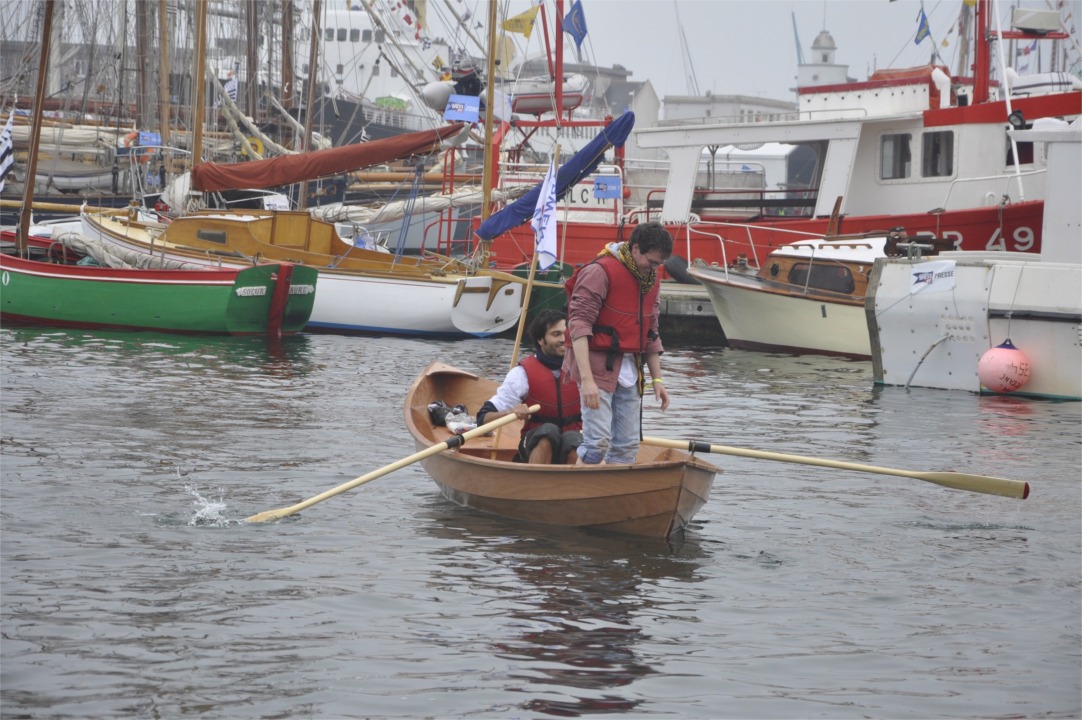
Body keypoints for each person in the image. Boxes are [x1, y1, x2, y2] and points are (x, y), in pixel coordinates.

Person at [563, 222, 672, 465]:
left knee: (626, 447)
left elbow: (651, 332)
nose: (653, 270)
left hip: (630, 370)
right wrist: (587, 380)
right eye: (652, 262)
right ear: (635, 249)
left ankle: (610, 494)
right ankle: (579, 494)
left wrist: (658, 380)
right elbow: (578, 326)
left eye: (659, 264)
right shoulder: (599, 271)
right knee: (596, 443)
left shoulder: (650, 280)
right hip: (597, 367)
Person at [476, 309, 582, 464]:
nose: (563, 339)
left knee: (574, 441)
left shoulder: (583, 370)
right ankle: (536, 483)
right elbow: (483, 419)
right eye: (556, 334)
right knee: (547, 435)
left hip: (574, 441)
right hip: (535, 443)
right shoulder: (521, 374)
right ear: (541, 340)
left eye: (566, 334)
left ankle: (577, 485)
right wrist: (511, 412)